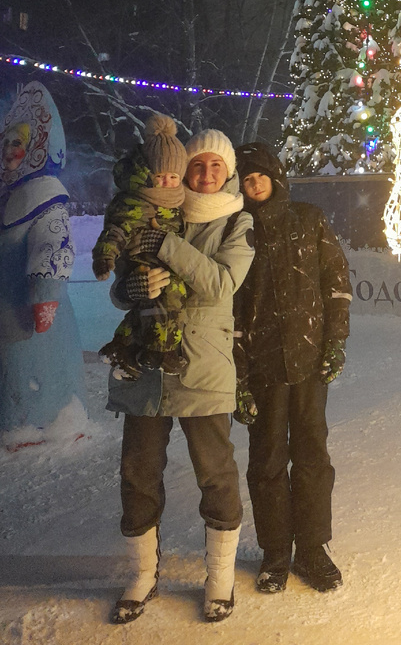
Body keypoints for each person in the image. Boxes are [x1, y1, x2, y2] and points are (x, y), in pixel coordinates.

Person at [106, 129, 254, 625]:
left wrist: (167, 246)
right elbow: (120, 294)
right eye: (197, 165)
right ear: (183, 169)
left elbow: (221, 283)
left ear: (227, 172)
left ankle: (219, 577)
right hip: (147, 363)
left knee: (215, 473)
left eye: (216, 166)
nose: (206, 174)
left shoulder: (238, 220)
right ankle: (143, 574)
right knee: (138, 471)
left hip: (203, 365)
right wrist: (131, 285)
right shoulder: (153, 208)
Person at [234, 140, 351, 595]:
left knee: (311, 457)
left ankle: (313, 549)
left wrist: (335, 342)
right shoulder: (238, 230)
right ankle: (276, 552)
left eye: (260, 174)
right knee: (265, 461)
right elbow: (233, 308)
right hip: (262, 369)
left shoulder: (309, 219)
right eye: (246, 178)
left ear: (276, 176)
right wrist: (239, 377)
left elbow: (336, 282)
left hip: (308, 363)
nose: (255, 182)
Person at [0, 82, 88, 450]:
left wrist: (46, 293)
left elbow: (54, 243)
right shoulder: (8, 194)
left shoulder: (45, 193)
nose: (9, 151)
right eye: (5, 144)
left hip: (29, 307)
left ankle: (43, 419)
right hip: (7, 301)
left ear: (37, 146)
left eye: (17, 144)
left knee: (30, 364)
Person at [93, 114, 190, 377]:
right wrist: (106, 257)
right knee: (162, 294)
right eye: (161, 176)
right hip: (141, 260)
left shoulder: (179, 204)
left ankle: (123, 347)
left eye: (173, 176)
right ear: (148, 173)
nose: (168, 183)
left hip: (164, 264)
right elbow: (116, 229)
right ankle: (159, 351)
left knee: (154, 302)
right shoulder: (136, 200)